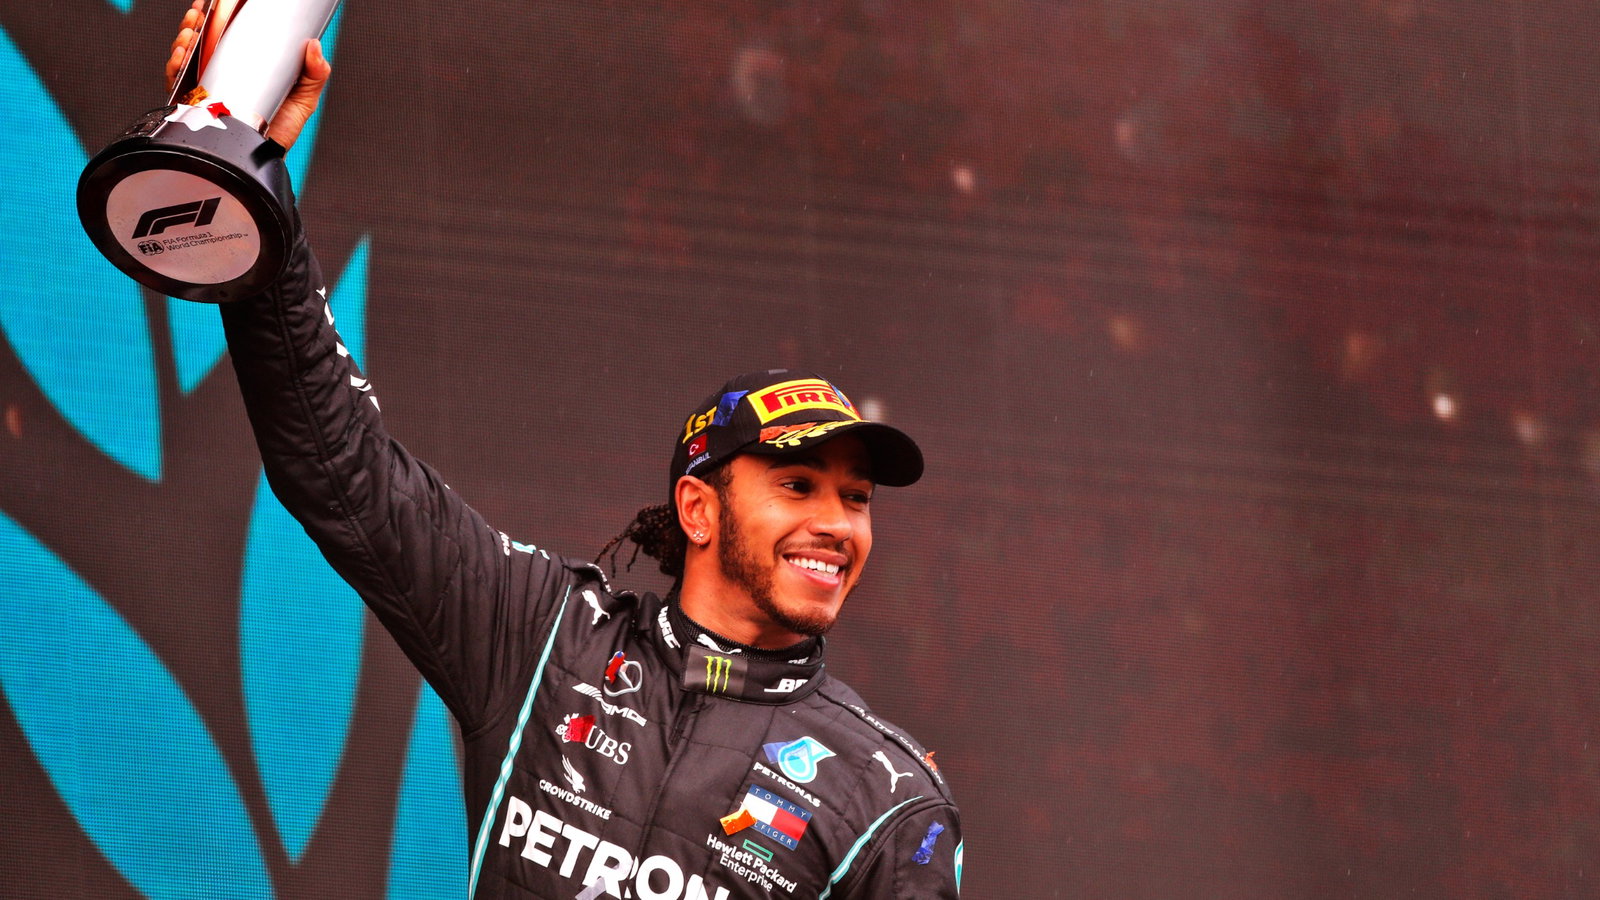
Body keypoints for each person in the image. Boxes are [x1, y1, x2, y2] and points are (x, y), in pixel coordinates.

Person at [168, 7, 962, 898]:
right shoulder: (545, 641)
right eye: (797, 484)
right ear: (698, 509)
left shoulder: (888, 802)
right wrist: (248, 187)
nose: (835, 524)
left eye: (856, 499)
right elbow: (339, 466)